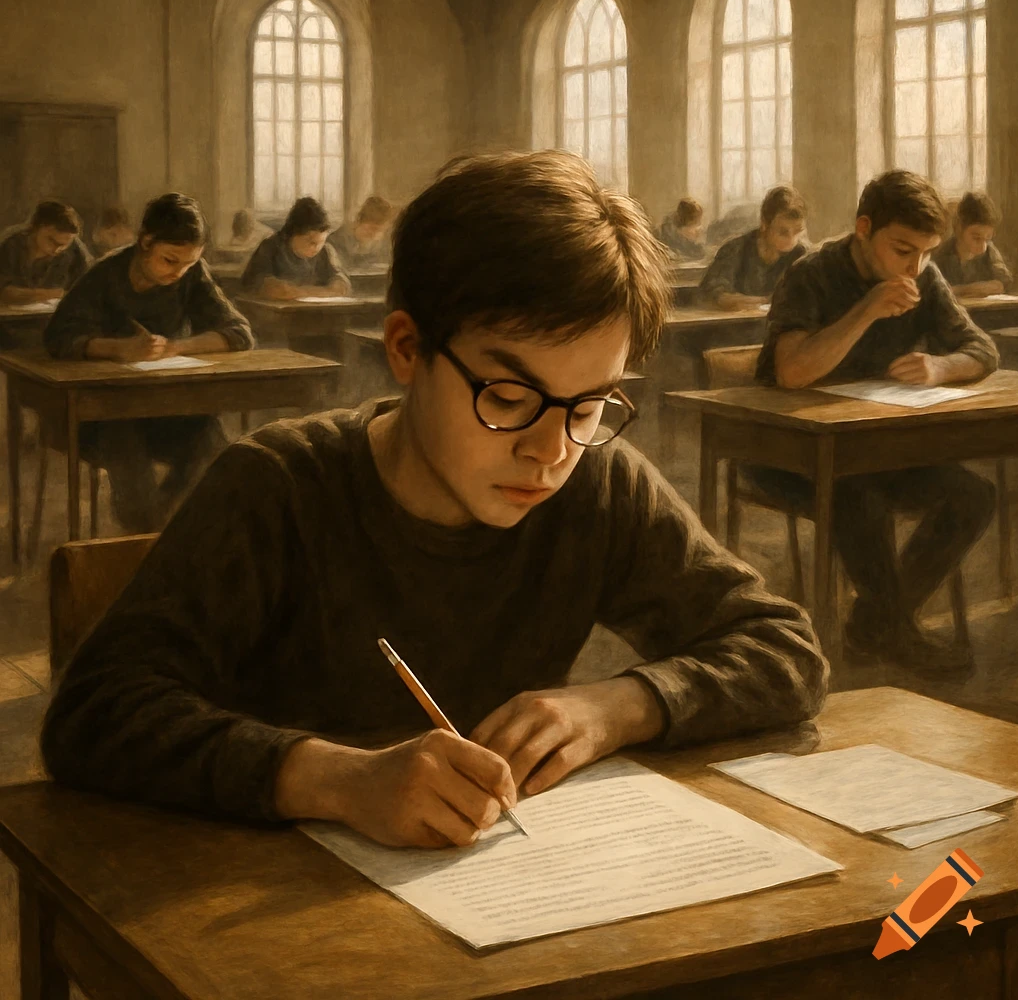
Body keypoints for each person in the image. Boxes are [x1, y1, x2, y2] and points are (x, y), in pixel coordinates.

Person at [41, 151, 827, 849]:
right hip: (263, 895)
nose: (550, 450)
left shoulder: (598, 483)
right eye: (509, 397)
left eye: (589, 407)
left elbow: (784, 649)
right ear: (407, 349)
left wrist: (620, 706)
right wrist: (337, 779)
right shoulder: (276, 486)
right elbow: (93, 712)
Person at [750, 169, 997, 673]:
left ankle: (874, 624)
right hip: (789, 451)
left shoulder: (923, 275)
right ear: (864, 228)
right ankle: (898, 635)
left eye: (926, 253)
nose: (916, 266)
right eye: (903, 250)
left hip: (875, 445)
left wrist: (941, 366)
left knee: (973, 496)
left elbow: (982, 349)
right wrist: (866, 309)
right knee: (858, 495)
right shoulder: (811, 273)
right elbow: (791, 372)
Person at [43, 193, 255, 533]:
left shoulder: (191, 274)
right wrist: (117, 349)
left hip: (165, 407)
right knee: (130, 462)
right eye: (169, 260)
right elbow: (58, 337)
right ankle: (148, 534)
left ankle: (164, 529)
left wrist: (176, 347)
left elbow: (239, 332)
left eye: (188, 263)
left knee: (213, 446)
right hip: (104, 414)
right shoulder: (105, 276)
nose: (178, 272)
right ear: (145, 242)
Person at [699, 187, 808, 311]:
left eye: (798, 231)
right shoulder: (735, 249)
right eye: (783, 232)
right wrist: (728, 300)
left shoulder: (800, 254)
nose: (792, 240)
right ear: (764, 224)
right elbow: (711, 291)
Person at [241, 196, 351, 298]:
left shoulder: (326, 251)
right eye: (310, 242)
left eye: (321, 241)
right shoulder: (271, 248)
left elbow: (341, 281)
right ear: (292, 234)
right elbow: (258, 285)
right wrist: (324, 291)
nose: (316, 248)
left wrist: (339, 282)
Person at [0, 200, 91, 305]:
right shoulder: (12, 247)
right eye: (51, 240)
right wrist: (56, 293)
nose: (57, 249)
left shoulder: (74, 250)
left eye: (64, 245)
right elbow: (4, 293)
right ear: (36, 228)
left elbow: (88, 286)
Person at [932, 192, 1013, 298]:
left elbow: (1005, 281)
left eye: (988, 238)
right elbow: (937, 290)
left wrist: (961, 290)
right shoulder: (943, 255)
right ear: (959, 229)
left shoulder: (989, 251)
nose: (983, 247)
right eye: (976, 238)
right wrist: (973, 288)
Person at [329, 194, 395, 271]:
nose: (375, 234)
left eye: (380, 230)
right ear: (359, 222)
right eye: (372, 228)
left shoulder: (383, 245)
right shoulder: (337, 240)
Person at [657, 197, 706, 262]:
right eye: (695, 220)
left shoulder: (690, 234)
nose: (698, 223)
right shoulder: (667, 233)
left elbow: (700, 253)